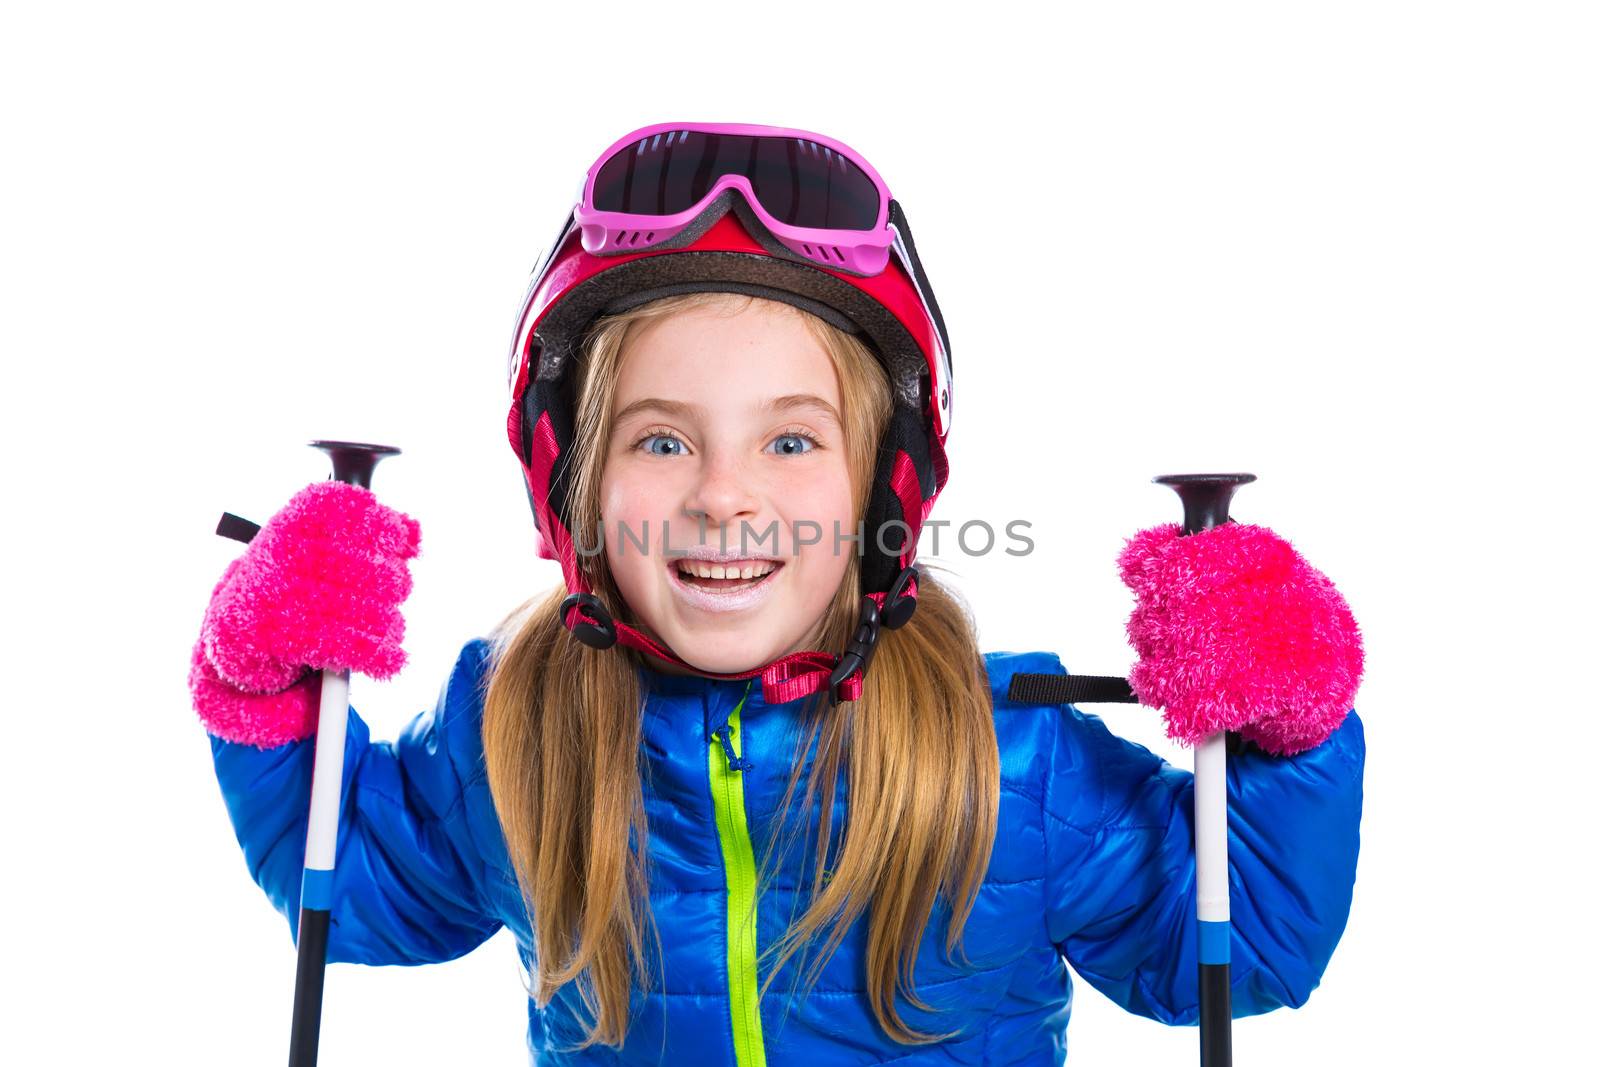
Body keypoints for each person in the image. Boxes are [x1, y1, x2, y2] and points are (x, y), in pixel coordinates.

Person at [189, 122, 1365, 1064]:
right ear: (574, 483)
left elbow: (1243, 946)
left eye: (792, 444)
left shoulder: (1012, 757)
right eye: (659, 443)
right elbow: (349, 889)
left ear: (881, 486)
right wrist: (267, 683)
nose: (724, 497)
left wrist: (1281, 730)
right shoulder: (512, 726)